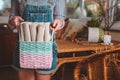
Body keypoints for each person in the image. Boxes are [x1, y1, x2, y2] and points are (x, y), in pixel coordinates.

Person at [9, 0, 65, 80]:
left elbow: (60, 18)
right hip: (24, 47)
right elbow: (11, 19)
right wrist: (13, 20)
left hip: (46, 48)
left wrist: (59, 22)